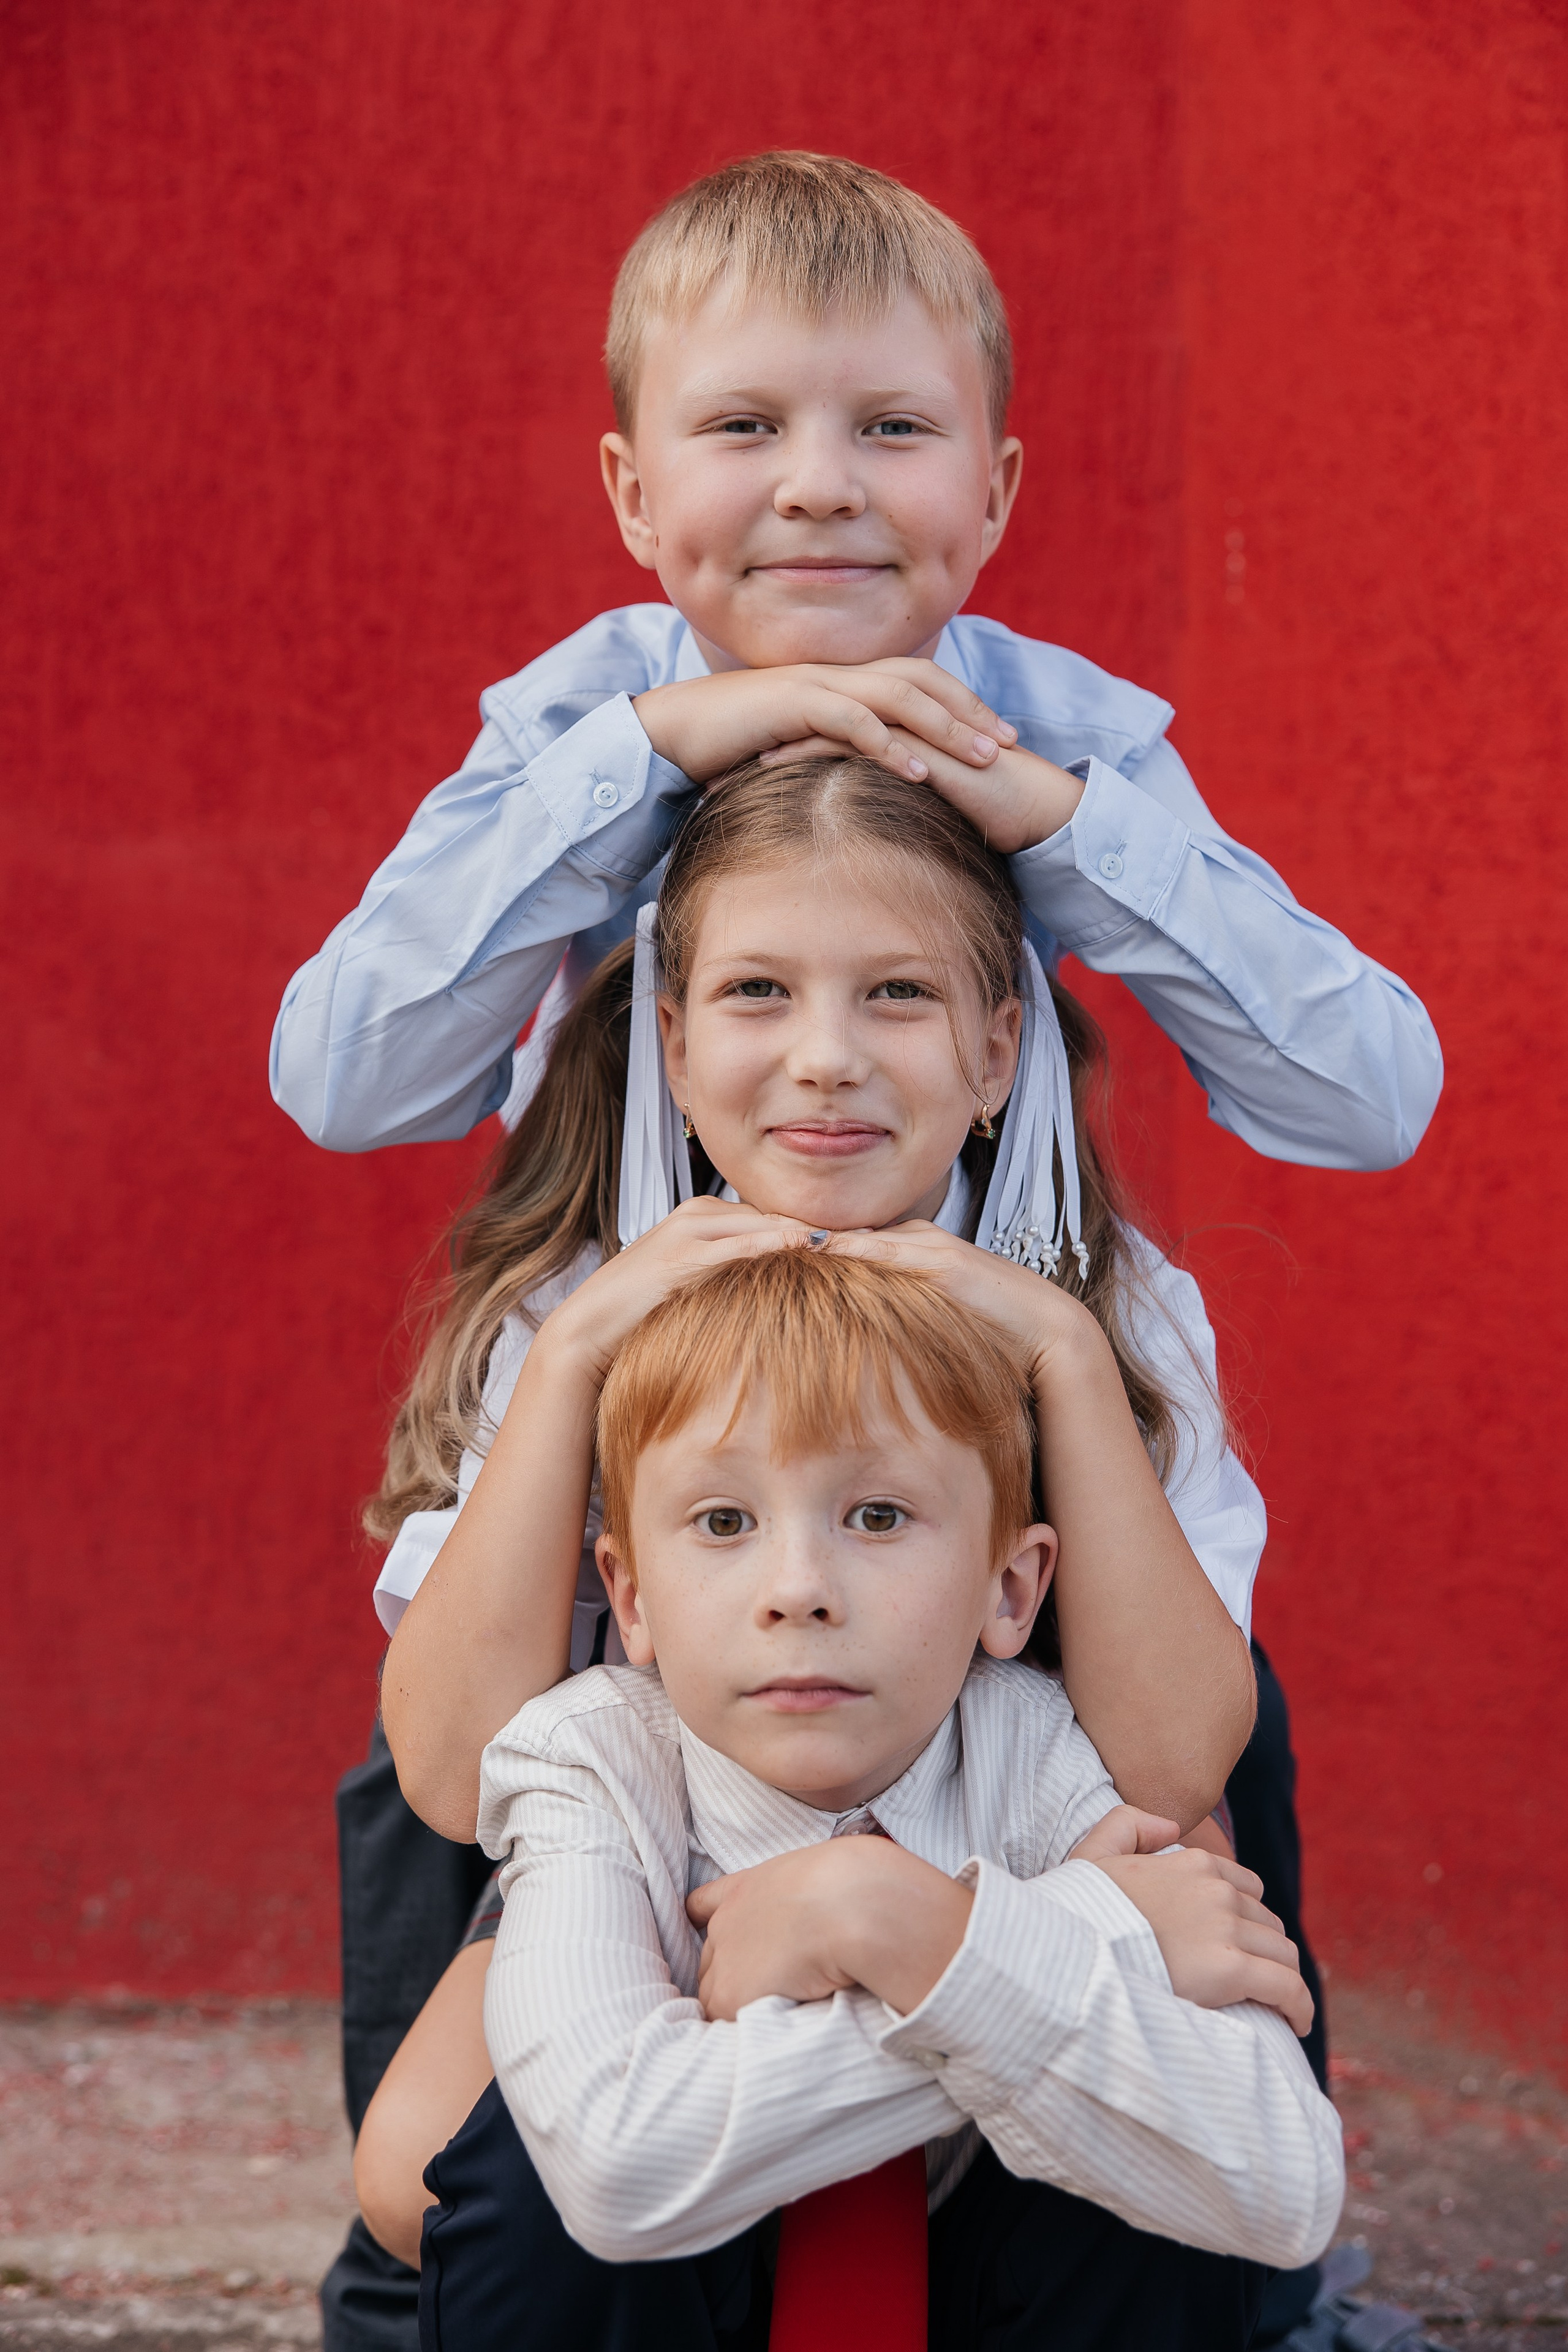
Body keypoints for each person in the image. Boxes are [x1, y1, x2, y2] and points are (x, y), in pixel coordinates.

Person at [273, 153, 1440, 2346]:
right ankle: (472, 2237)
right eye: (747, 430)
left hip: (1007, 1527)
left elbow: (1368, 1096)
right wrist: (642, 763)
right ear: (633, 490)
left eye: (890, 432)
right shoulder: (571, 732)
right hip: (649, 1529)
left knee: (1191, 1694)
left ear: (992, 489)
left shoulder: (1070, 741)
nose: (820, 492)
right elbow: (347, 1075)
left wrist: (1061, 839)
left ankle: (1204, 2180)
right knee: (489, 1778)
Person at [353, 753, 1264, 2278]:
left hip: (1031, 1826)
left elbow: (1169, 1767)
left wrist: (1054, 1358)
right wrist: (577, 1356)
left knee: (1212, 1935)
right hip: (679, 1835)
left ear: (994, 1051)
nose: (826, 1057)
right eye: (759, 994)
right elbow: (450, 1772)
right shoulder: (578, 1312)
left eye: (894, 996)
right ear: (676, 1046)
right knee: (424, 2176)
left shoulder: (1117, 1314)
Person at [418, 1246, 1344, 2351]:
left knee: (1153, 2161)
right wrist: (1078, 1931)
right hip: (686, 2306)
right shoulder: (588, 1760)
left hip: (983, 2300)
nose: (799, 1591)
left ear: (1011, 1590)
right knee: (533, 2172)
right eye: (723, 1524)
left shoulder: (1050, 1749)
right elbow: (619, 2167)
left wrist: (883, 1924)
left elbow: (1288, 2185)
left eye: (877, 1518)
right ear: (630, 1599)